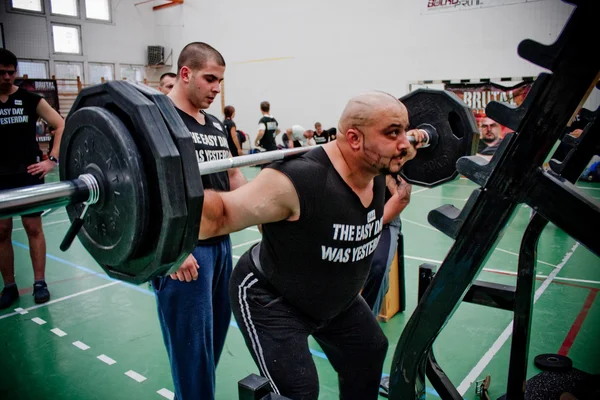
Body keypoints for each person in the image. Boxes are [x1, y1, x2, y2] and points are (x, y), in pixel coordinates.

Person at [198, 91, 425, 399]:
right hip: (273, 299)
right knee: (300, 392)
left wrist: (424, 137)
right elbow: (219, 216)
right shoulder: (297, 180)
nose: (403, 144)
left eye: (404, 132)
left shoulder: (380, 163)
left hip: (333, 299)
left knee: (369, 351)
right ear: (355, 139)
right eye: (392, 133)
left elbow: (413, 143)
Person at [150, 42, 247, 400]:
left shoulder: (216, 123)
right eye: (210, 79)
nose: (216, 88)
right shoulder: (159, 118)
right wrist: (173, 249)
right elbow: (147, 192)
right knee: (192, 355)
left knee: (209, 348)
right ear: (186, 74)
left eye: (220, 81)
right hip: (185, 251)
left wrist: (266, 216)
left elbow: (233, 177)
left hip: (221, 246)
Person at [0, 49, 65, 309]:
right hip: (1, 178)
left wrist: (52, 160)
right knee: (1, 232)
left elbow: (59, 125)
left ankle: (40, 283)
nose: (7, 77)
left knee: (33, 228)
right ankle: (9, 286)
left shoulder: (30, 99)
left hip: (27, 174)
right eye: (1, 72)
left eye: (10, 72)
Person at [361, 175, 411, 315]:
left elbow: (403, 197)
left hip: (385, 222)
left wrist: (386, 174)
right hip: (351, 218)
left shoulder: (394, 159)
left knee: (378, 266)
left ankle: (366, 321)